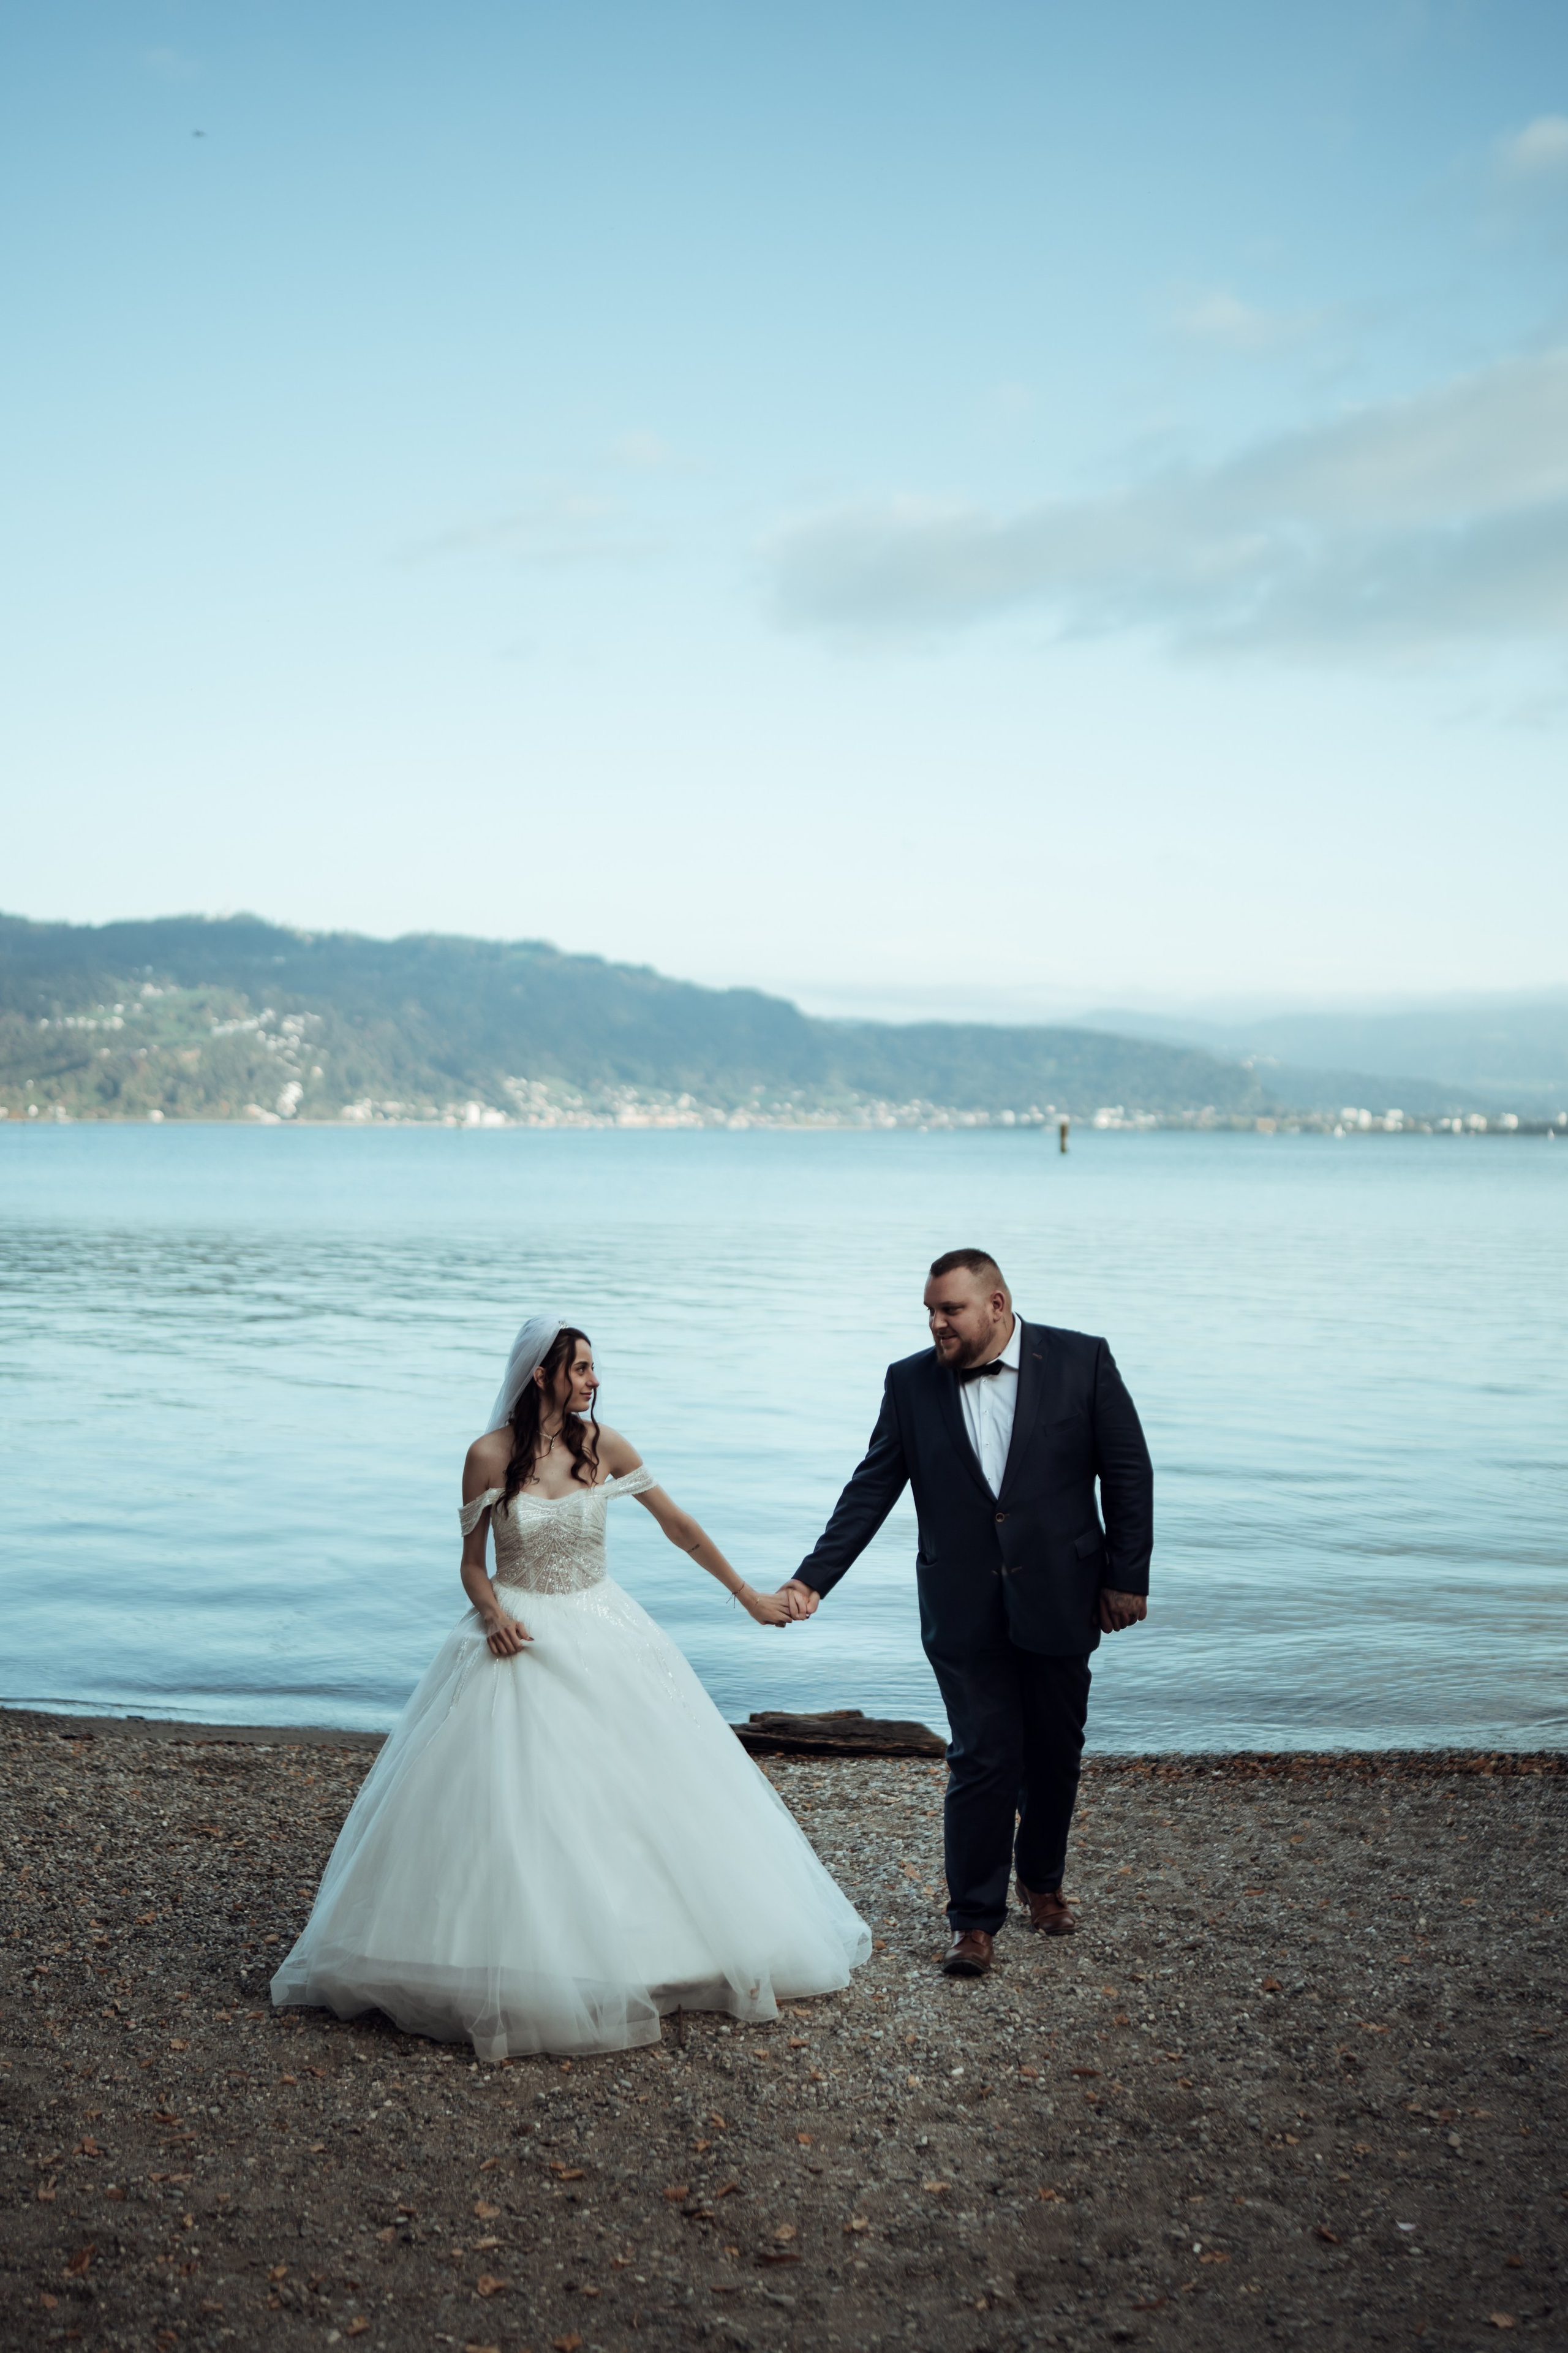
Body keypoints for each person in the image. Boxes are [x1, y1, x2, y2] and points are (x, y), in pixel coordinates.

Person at [273, 1315, 870, 2057]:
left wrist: (747, 1595)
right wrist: (492, 1614)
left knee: (634, 1787)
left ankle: (649, 1950)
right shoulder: (487, 1455)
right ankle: (499, 1953)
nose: (592, 1379)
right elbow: (471, 1565)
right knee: (511, 1798)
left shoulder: (603, 1445)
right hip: (518, 1629)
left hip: (603, 1624)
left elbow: (677, 1525)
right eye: (580, 1366)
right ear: (541, 1374)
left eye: (591, 1367)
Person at [777, 1250, 1152, 1978]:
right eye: (929, 1311)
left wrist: (1126, 1576)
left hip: (1062, 1590)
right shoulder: (909, 1381)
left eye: (949, 1309)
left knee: (1054, 1750)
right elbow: (872, 1486)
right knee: (982, 1753)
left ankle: (1041, 1881)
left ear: (997, 1305)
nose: (936, 1323)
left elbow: (1127, 1470)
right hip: (960, 1602)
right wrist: (813, 1578)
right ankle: (973, 1921)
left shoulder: (1081, 1361)